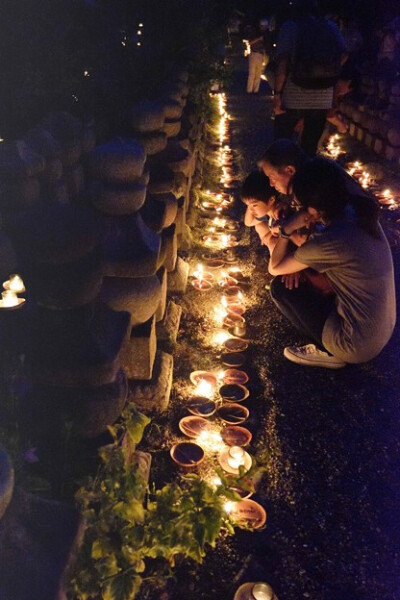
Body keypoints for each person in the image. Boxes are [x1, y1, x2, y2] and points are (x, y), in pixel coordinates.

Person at [267, 157, 396, 368]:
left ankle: (328, 351)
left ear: (312, 209)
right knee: (305, 276)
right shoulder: (355, 211)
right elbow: (311, 244)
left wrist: (285, 231)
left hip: (355, 345)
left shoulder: (332, 239)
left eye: (300, 205)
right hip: (380, 330)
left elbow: (275, 268)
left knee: (282, 288)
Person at [272, 0, 346, 155]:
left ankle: (282, 176)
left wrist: (277, 94)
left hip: (294, 96)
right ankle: (304, 177)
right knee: (309, 147)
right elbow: (344, 53)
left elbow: (283, 62)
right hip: (322, 96)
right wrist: (328, 71)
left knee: (282, 145)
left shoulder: (290, 26)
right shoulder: (330, 26)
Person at [240, 170, 290, 247]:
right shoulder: (267, 213)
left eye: (254, 205)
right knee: (259, 226)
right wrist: (250, 202)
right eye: (247, 205)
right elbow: (248, 223)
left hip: (293, 248)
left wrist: (269, 234)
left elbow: (288, 227)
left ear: (271, 200)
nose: (250, 210)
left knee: (272, 241)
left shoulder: (280, 212)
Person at [243, 22, 266, 93]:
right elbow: (250, 42)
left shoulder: (265, 35)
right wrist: (259, 39)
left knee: (258, 74)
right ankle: (249, 90)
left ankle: (256, 90)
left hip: (260, 54)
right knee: (252, 73)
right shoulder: (255, 34)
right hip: (254, 53)